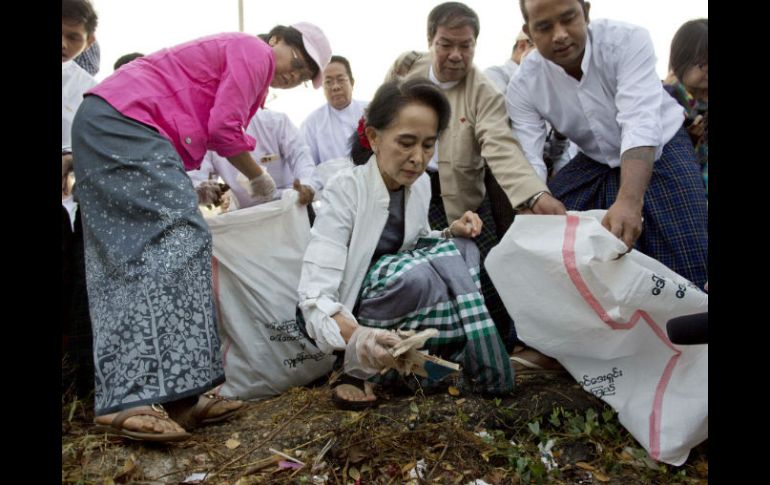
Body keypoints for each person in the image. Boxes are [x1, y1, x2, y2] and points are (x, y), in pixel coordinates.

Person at [71, 22, 332, 441]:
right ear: (276, 41)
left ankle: (180, 398)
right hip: (125, 123)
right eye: (296, 62)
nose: (293, 74)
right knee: (175, 242)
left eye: (302, 76)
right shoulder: (255, 52)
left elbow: (208, 126)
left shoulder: (248, 68)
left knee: (152, 250)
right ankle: (130, 397)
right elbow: (222, 129)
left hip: (112, 122)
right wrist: (260, 178)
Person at [297, 78, 514, 408]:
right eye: (406, 143)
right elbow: (315, 295)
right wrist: (361, 339)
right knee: (411, 275)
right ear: (373, 138)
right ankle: (358, 369)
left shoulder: (422, 184)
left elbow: (414, 242)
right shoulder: (345, 190)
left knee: (464, 250)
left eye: (428, 145)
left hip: (401, 303)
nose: (418, 157)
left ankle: (417, 358)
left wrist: (447, 233)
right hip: (358, 310)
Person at [385, 2, 565, 364]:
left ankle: (503, 350)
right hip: (409, 194)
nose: (455, 55)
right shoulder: (408, 78)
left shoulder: (483, 91)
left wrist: (534, 194)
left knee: (489, 273)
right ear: (430, 41)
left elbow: (500, 146)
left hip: (462, 202)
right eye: (446, 44)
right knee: (419, 273)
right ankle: (420, 351)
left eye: (465, 46)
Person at [506, 0, 708, 289]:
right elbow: (529, 155)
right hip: (594, 159)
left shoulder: (628, 40)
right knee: (553, 238)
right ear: (529, 31)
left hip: (661, 144)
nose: (560, 34)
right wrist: (535, 200)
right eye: (544, 27)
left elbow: (639, 123)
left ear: (586, 12)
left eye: (568, 19)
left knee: (686, 254)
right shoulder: (524, 84)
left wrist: (629, 200)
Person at [62, 0, 99, 399]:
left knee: (75, 290)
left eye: (73, 37)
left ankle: (77, 386)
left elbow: (86, 143)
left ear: (88, 41)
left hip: (71, 208)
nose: (64, 43)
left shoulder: (85, 87)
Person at [192, 109, 317, 211]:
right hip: (250, 216)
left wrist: (306, 184)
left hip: (292, 207)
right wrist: (201, 191)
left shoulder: (275, 121)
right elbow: (196, 176)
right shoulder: (206, 136)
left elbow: (301, 156)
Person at [664, 19, 708, 198]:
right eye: (702, 64)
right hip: (681, 193)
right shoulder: (664, 99)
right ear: (682, 59)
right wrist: (688, 139)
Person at [301, 55, 368, 166]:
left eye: (341, 80)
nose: (335, 87)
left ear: (352, 83)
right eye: (328, 82)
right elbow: (308, 165)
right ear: (322, 87)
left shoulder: (370, 112)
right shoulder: (312, 123)